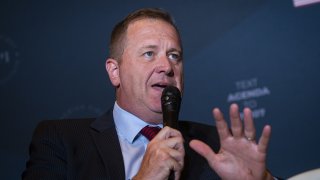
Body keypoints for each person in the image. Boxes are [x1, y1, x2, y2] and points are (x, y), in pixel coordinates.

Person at [22, 8, 277, 180]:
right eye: (149, 53)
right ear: (115, 72)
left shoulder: (214, 145)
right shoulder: (61, 140)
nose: (166, 66)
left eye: (174, 56)